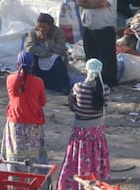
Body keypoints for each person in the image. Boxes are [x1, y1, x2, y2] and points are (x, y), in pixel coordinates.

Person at [57, 58, 111, 190]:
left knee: (77, 159)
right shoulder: (104, 89)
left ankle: (74, 185)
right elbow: (105, 105)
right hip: (97, 132)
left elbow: (71, 104)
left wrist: (79, 110)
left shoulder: (78, 87)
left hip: (80, 132)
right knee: (96, 159)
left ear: (86, 71)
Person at [1, 51, 47, 172]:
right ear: (33, 65)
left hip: (15, 123)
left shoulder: (10, 79)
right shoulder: (38, 82)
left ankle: (15, 180)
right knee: (35, 157)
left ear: (17, 64)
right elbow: (42, 102)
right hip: (33, 124)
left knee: (14, 154)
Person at [76, 0, 118, 92]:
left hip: (105, 29)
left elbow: (104, 3)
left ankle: (108, 83)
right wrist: (92, 3)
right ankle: (93, 81)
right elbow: (79, 1)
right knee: (91, 56)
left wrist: (89, 0)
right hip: (89, 28)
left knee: (106, 58)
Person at [24, 12, 71, 94]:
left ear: (50, 26)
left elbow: (60, 49)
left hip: (54, 57)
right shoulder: (34, 32)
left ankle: (61, 87)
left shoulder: (58, 33)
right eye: (39, 26)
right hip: (41, 55)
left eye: (44, 27)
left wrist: (47, 41)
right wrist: (46, 53)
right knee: (29, 58)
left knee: (57, 59)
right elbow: (30, 47)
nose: (41, 29)